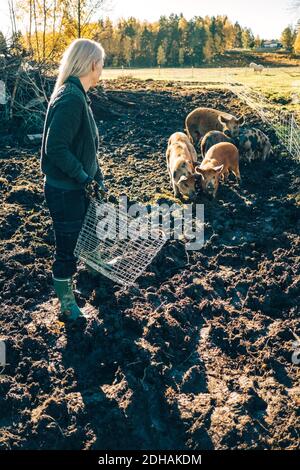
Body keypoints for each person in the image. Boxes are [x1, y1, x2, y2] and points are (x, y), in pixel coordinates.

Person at [40, 38, 106, 322]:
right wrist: (83, 177)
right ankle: (66, 303)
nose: (102, 69)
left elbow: (86, 146)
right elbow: (55, 148)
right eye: (101, 63)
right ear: (92, 64)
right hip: (65, 191)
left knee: (90, 232)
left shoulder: (79, 95)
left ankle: (95, 267)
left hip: (78, 186)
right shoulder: (70, 98)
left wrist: (97, 178)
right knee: (67, 247)